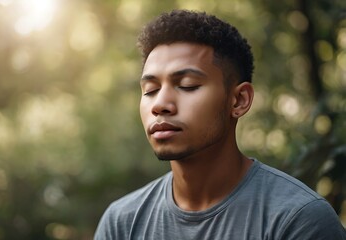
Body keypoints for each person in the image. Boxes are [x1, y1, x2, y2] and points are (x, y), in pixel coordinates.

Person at [94, 9, 346, 239]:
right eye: (150, 90)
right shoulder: (122, 224)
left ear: (238, 100)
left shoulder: (298, 220)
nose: (160, 104)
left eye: (187, 85)